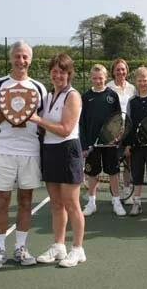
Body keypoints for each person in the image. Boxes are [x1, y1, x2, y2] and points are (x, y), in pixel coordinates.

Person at [0, 40, 47, 269]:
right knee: (1, 202)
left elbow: (44, 123)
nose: (21, 61)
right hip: (4, 151)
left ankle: (20, 248)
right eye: (17, 56)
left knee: (26, 201)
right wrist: (7, 108)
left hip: (31, 151)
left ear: (30, 60)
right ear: (11, 58)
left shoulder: (39, 88)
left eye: (25, 57)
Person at [28, 53, 85, 267]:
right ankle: (59, 246)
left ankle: (78, 249)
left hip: (68, 151)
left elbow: (65, 129)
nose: (58, 75)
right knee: (56, 204)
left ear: (69, 74)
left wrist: (38, 120)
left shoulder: (73, 96)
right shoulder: (47, 96)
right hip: (49, 151)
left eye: (62, 71)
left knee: (72, 203)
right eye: (54, 71)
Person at [80, 64, 126, 217]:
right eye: (94, 78)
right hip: (92, 144)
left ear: (106, 78)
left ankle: (116, 201)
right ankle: (92, 203)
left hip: (110, 144)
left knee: (113, 173)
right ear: (90, 79)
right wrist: (84, 144)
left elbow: (118, 119)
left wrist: (115, 137)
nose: (98, 80)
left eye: (100, 78)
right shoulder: (85, 97)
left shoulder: (112, 96)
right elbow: (82, 123)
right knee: (92, 174)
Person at [123, 67, 147, 216]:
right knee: (137, 175)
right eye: (139, 80)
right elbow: (128, 123)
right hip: (136, 147)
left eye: (145, 79)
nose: (142, 82)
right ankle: (137, 204)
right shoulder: (131, 101)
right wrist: (128, 144)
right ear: (136, 82)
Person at [106, 59, 136, 205]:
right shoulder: (108, 88)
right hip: (114, 132)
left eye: (123, 69)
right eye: (117, 69)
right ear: (113, 71)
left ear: (126, 71)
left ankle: (127, 192)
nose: (120, 72)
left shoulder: (132, 88)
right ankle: (116, 195)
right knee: (115, 163)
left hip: (129, 131)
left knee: (129, 162)